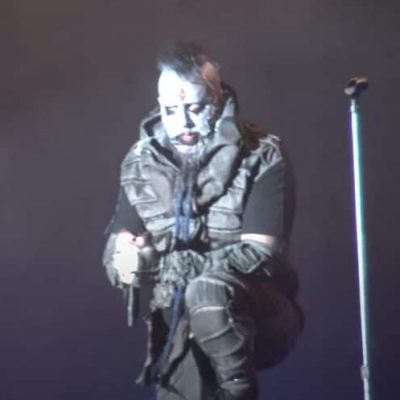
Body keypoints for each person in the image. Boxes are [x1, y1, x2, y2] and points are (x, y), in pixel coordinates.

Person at [102, 42, 303, 400]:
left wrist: (171, 265)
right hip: (178, 313)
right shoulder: (141, 161)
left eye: (195, 108)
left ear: (217, 100)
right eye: (171, 110)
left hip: (259, 310)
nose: (184, 122)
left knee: (207, 292)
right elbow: (119, 248)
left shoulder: (262, 154)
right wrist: (127, 259)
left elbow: (261, 254)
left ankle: (239, 391)